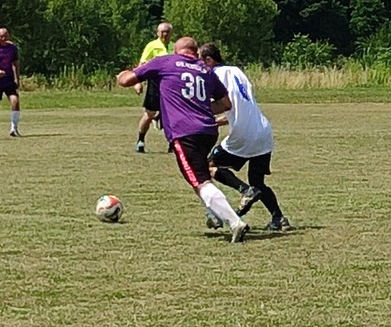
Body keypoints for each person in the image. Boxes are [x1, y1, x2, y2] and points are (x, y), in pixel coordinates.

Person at [116, 35, 248, 241]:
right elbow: (225, 104)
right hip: (208, 131)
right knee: (200, 175)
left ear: (176, 51)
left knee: (199, 181)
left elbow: (126, 81)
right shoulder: (205, 70)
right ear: (196, 53)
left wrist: (122, 74)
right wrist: (200, 108)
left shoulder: (165, 62)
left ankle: (234, 222)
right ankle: (215, 213)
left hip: (185, 132)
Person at [200, 42, 290, 231]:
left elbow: (222, 105)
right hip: (262, 131)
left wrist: (195, 111)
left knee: (209, 166)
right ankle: (279, 219)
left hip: (243, 135)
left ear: (208, 60)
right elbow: (238, 107)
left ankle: (244, 190)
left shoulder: (213, 76)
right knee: (258, 181)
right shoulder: (236, 71)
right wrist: (216, 122)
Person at [133, 20, 173, 152]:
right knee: (149, 114)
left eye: (167, 32)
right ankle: (140, 140)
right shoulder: (152, 46)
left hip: (170, 85)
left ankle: (172, 144)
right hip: (155, 84)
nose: (165, 34)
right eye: (162, 32)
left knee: (172, 115)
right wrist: (138, 82)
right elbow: (142, 65)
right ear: (157, 33)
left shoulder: (174, 47)